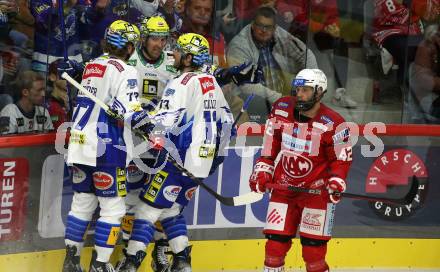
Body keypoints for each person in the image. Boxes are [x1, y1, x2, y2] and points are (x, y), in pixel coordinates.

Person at [115, 33, 234, 272]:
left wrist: (133, 116)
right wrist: (214, 159)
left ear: (189, 58)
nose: (173, 54)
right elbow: (228, 123)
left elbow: (164, 122)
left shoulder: (181, 83)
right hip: (203, 163)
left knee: (146, 210)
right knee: (170, 209)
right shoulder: (212, 83)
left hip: (179, 158)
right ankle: (182, 263)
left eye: (178, 51)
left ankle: (130, 264)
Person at [61, 20, 147, 272]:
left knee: (82, 202)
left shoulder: (92, 66)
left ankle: (71, 261)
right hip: (106, 146)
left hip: (78, 143)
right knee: (113, 208)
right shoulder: (126, 71)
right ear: (130, 46)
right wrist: (151, 128)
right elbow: (129, 111)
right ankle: (100, 265)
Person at [248, 68, 352, 272]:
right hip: (283, 189)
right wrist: (262, 170)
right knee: (274, 248)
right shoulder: (281, 108)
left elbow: (341, 160)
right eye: (297, 89)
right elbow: (270, 145)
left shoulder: (335, 123)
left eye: (306, 90)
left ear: (319, 92)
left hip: (316, 193)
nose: (300, 94)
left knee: (313, 253)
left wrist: (336, 180)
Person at [227, 6, 317, 123]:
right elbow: (247, 85)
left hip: (279, 92)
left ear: (274, 28)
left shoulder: (278, 33)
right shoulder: (239, 45)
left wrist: (310, 86)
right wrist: (281, 99)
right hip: (252, 98)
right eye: (260, 25)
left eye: (268, 27)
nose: (263, 30)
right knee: (255, 100)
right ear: (253, 25)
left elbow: (306, 54)